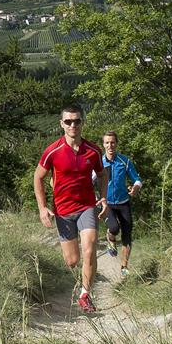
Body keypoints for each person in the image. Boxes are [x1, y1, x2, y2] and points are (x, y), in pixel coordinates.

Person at [34, 104, 105, 312]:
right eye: (68, 121)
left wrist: (104, 198)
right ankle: (76, 280)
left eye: (76, 121)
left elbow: (102, 175)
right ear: (61, 124)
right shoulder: (52, 151)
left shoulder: (93, 151)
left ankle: (85, 295)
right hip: (63, 210)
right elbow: (38, 177)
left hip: (86, 206)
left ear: (82, 122)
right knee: (72, 260)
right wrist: (42, 208)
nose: (73, 125)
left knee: (90, 248)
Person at [97, 131, 143, 281]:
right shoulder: (98, 163)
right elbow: (89, 181)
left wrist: (136, 187)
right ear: (103, 145)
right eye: (107, 143)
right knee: (115, 228)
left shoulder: (125, 161)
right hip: (107, 204)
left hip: (124, 202)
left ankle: (124, 267)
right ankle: (110, 238)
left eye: (113, 142)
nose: (110, 145)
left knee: (127, 235)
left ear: (116, 144)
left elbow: (137, 179)